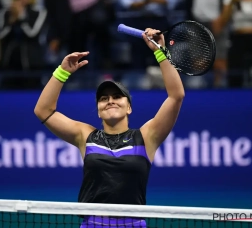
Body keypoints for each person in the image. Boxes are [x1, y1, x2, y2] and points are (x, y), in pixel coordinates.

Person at [34, 28, 185, 227]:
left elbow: (176, 96)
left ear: (129, 107)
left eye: (117, 97)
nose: (110, 101)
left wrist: (160, 50)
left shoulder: (147, 136)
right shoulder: (86, 136)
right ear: (98, 111)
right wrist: (62, 72)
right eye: (103, 99)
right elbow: (43, 111)